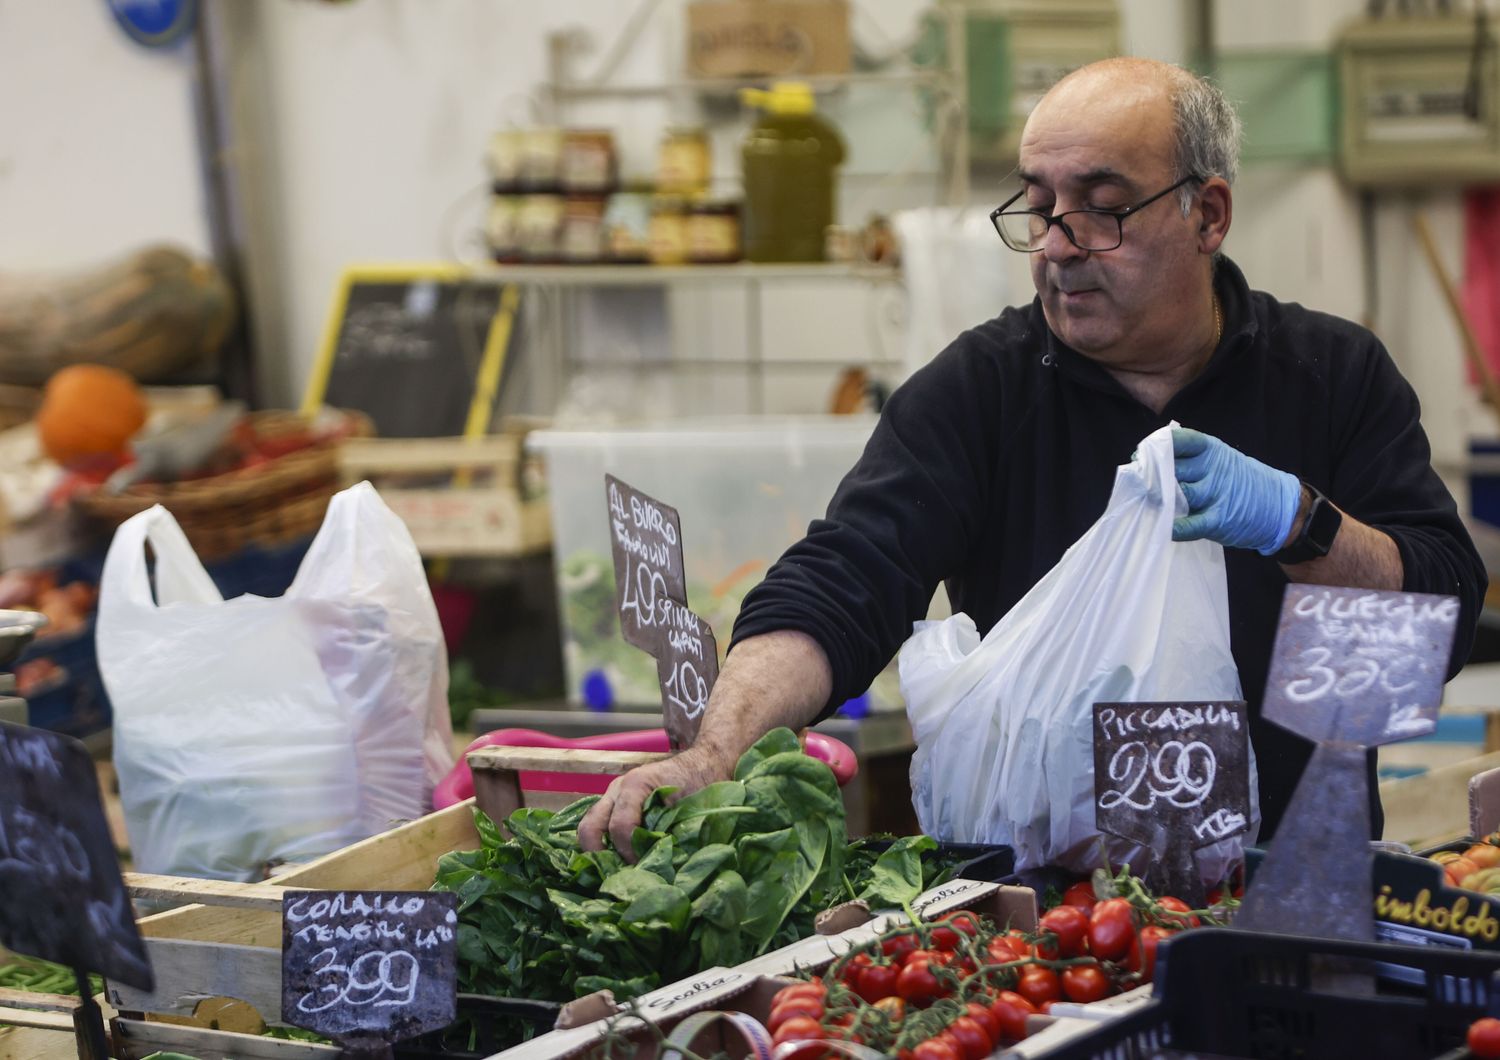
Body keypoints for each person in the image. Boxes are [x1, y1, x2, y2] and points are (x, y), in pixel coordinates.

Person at [579, 57, 1488, 856]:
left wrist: (1302, 523)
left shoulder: (1331, 376)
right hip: (1037, 930)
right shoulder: (981, 390)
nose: (1056, 247)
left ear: (1207, 215)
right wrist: (714, 751)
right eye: (1040, 206)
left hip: (1290, 893)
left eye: (1100, 210)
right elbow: (844, 580)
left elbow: (1432, 636)